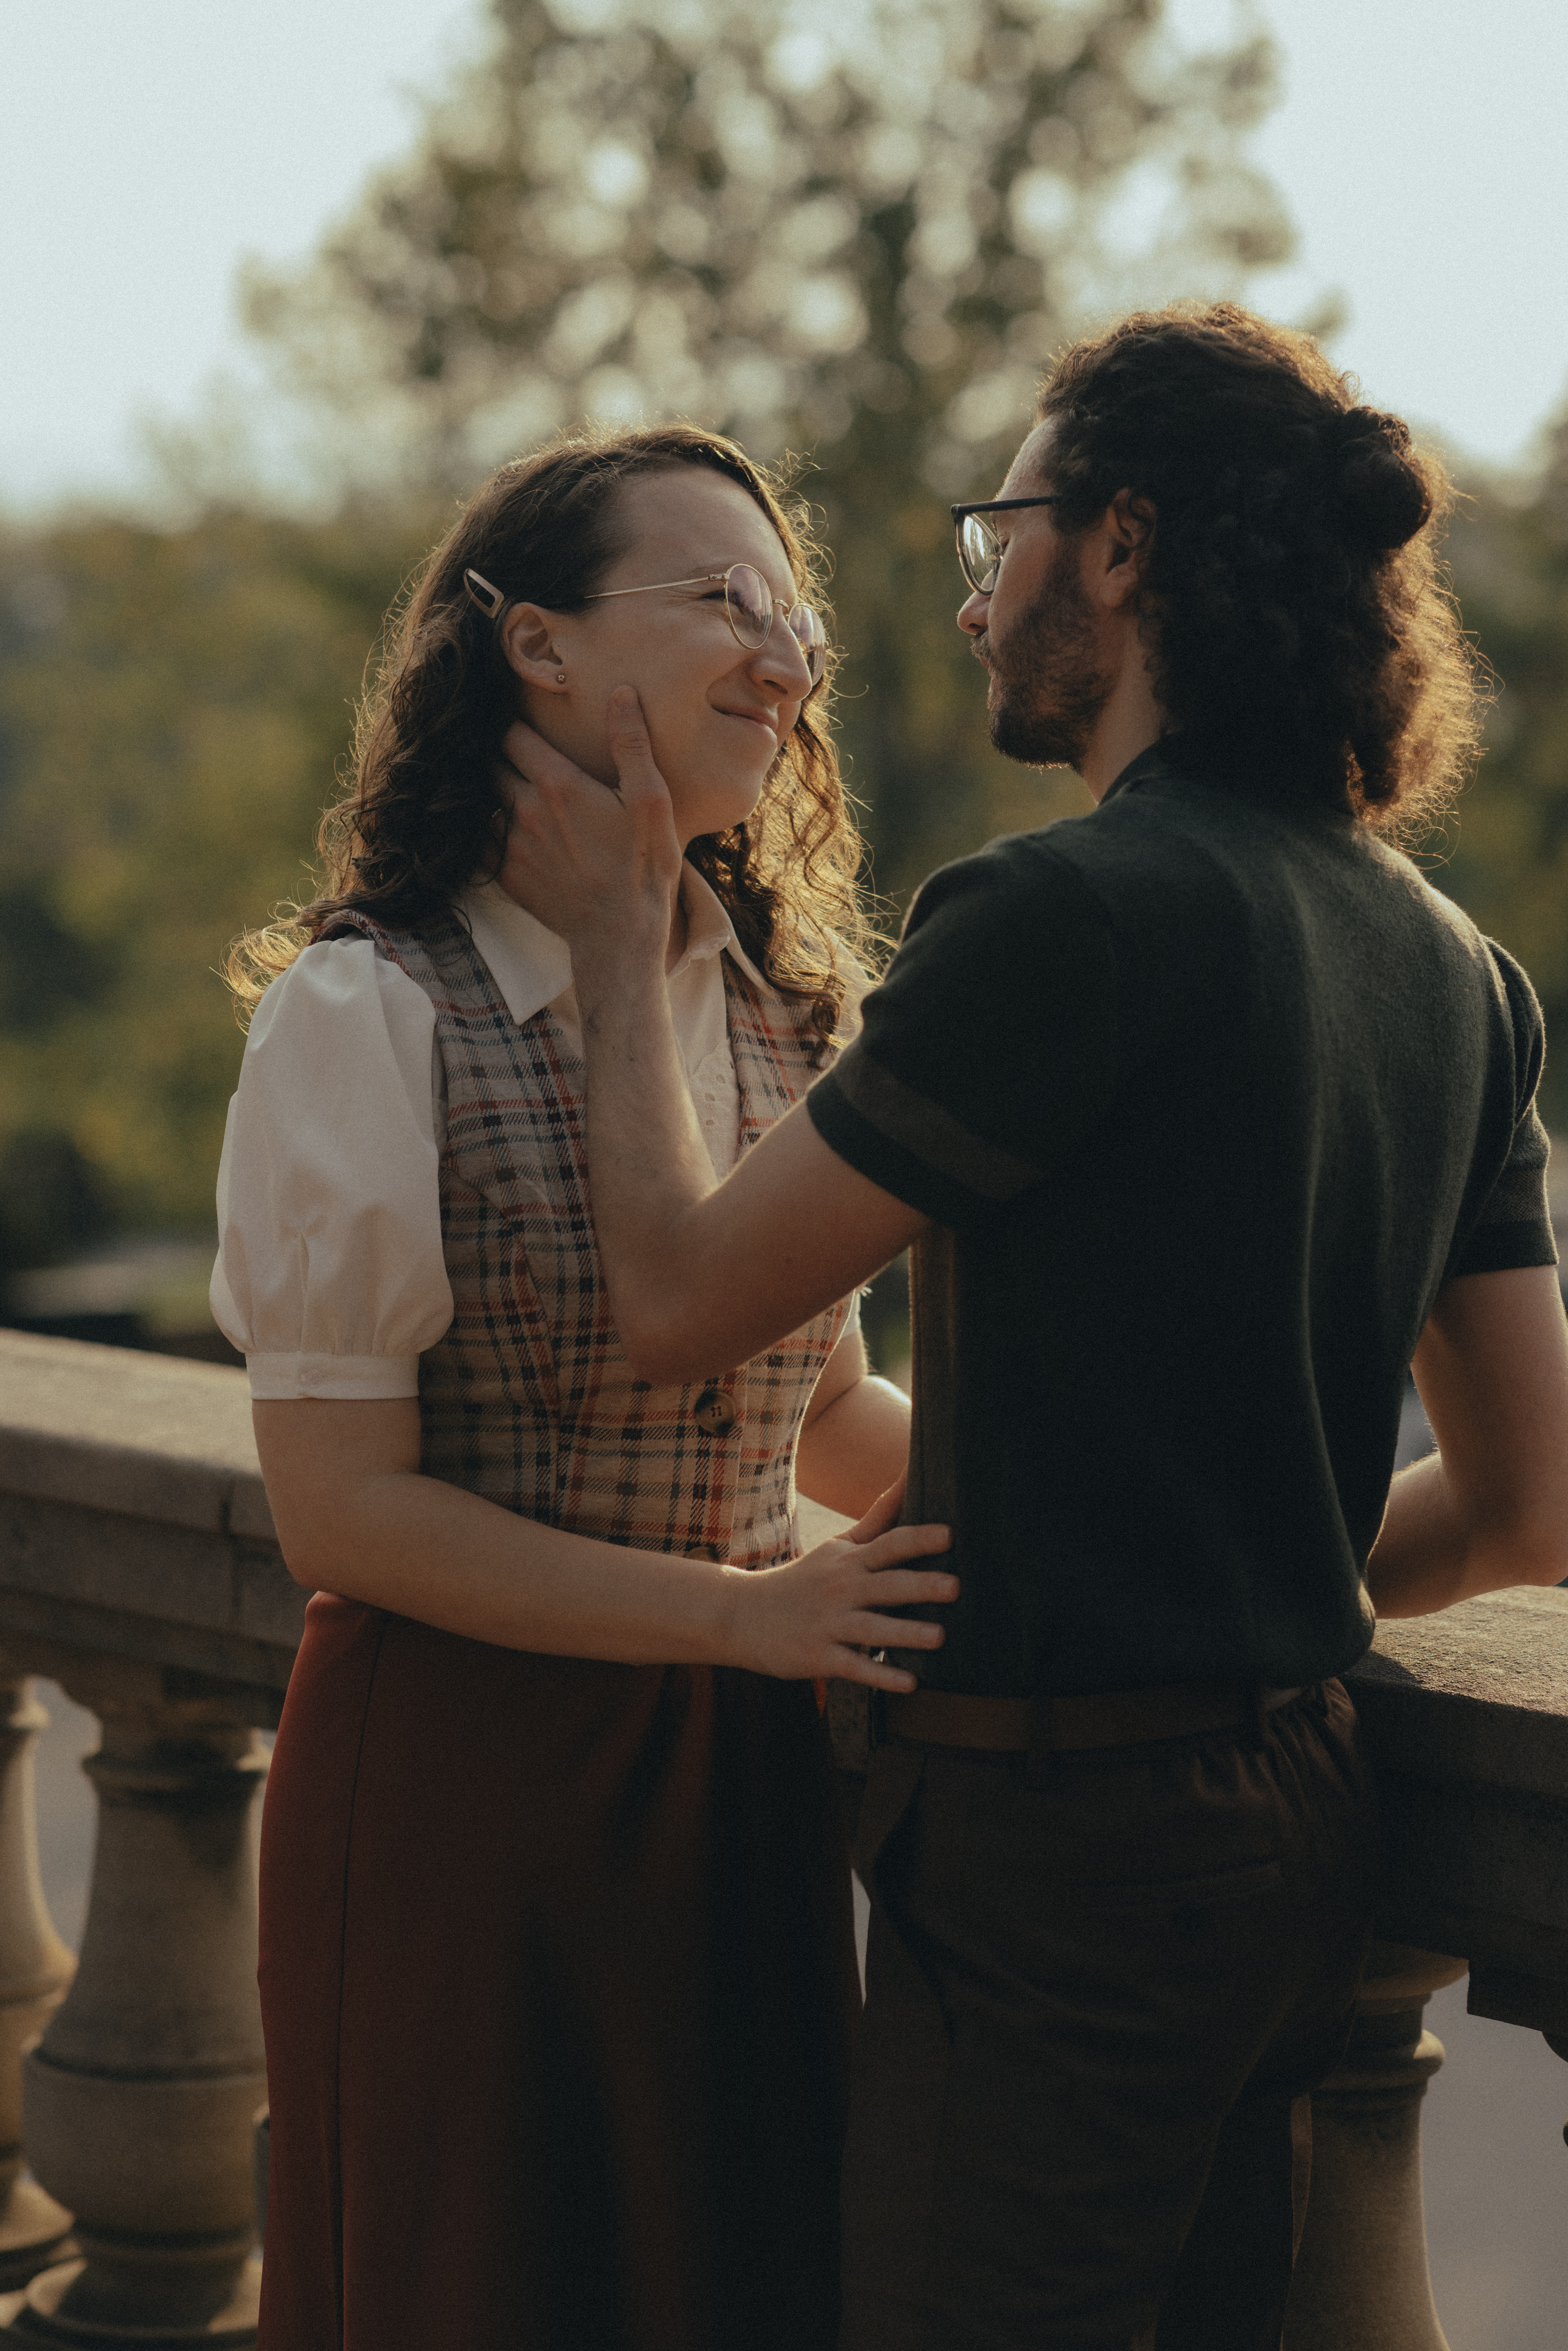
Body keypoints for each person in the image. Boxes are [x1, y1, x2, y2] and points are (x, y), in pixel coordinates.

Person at [492, 305, 1568, 2351]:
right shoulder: (1459, 969)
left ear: (1124, 545)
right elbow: (1529, 1506)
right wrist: (1241, 1579)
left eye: (1004, 540)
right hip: (1300, 1805)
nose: (975, 607)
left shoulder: (1061, 915)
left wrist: (629, 947)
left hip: (1067, 1849)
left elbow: (678, 1307)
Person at [210, 424, 957, 2351]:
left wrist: (1092, 1503)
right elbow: (339, 1514)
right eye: (723, 601)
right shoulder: (367, 1008)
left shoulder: (785, 1013)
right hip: (469, 1785)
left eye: (796, 619)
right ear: (534, 644)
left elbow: (819, 1419)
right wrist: (745, 1612)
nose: (784, 658)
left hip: (739, 1778)